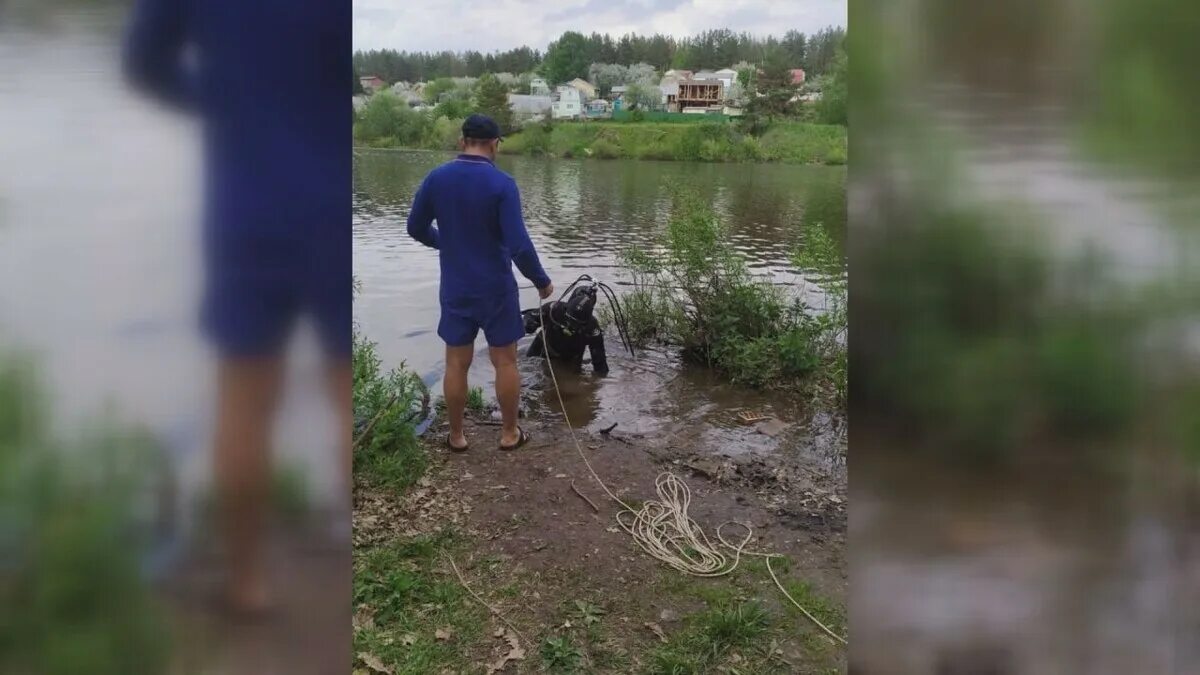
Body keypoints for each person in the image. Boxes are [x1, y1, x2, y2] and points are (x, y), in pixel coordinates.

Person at [123, 0, 352, 616]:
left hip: (245, 207)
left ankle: (248, 583)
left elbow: (143, 63)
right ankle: (363, 552)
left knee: (243, 403)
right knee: (342, 385)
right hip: (333, 202)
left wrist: (228, 104)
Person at [407, 114, 553, 452]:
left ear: (462, 142)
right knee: (505, 361)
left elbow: (415, 227)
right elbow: (518, 245)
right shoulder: (502, 184)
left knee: (456, 362)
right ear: (494, 144)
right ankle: (509, 434)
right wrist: (541, 281)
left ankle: (456, 436)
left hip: (456, 288)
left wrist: (443, 241)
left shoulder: (436, 179)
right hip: (496, 289)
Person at [522, 284, 610, 375]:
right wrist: (529, 324)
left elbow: (600, 364)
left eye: (577, 325)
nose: (571, 327)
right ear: (566, 308)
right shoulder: (554, 308)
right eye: (570, 321)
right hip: (543, 347)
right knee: (527, 370)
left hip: (572, 357)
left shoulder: (592, 328)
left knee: (572, 383)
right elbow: (530, 316)